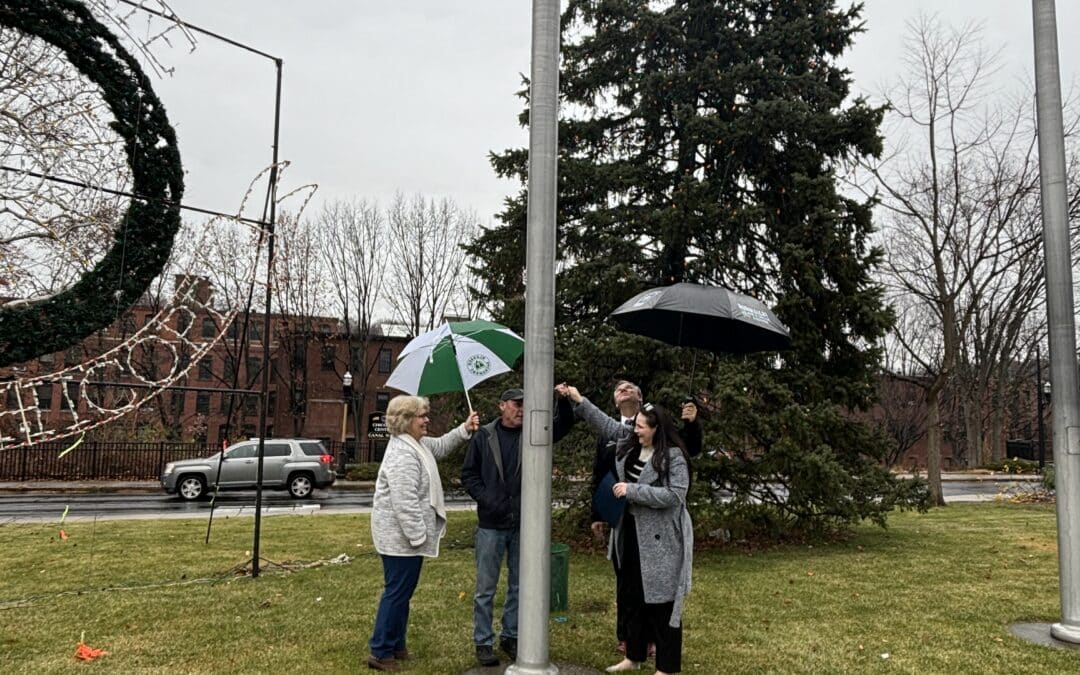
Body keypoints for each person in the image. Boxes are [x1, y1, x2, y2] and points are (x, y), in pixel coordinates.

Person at [556, 380, 700, 656]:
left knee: (657, 591)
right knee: (630, 587)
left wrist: (692, 423)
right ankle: (632, 645)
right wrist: (579, 400)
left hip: (660, 533)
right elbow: (606, 426)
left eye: (640, 426)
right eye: (634, 426)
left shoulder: (670, 451)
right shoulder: (630, 436)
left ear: (654, 427)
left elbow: (675, 491)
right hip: (629, 526)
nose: (635, 429)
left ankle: (659, 647)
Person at [461, 387, 575, 667]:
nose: (522, 409)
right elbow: (469, 474)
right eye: (516, 404)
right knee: (485, 588)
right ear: (502, 406)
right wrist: (487, 499)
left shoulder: (534, 433)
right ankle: (483, 641)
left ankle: (511, 636)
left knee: (520, 585)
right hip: (491, 525)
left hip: (524, 524)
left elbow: (563, 426)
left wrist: (563, 402)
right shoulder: (484, 436)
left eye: (525, 404)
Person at [366, 395, 480, 672]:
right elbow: (404, 502)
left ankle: (396, 644)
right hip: (399, 540)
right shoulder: (402, 454)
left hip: (404, 540)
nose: (427, 420)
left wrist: (464, 428)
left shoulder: (416, 444)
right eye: (422, 416)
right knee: (396, 593)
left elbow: (440, 446)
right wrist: (418, 537)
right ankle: (380, 651)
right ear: (406, 420)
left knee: (402, 592)